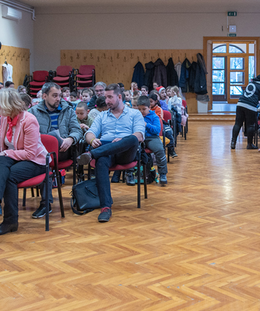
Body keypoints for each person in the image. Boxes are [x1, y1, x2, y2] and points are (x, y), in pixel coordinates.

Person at [0, 89, 50, 235]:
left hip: (35, 161)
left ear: (7, 105)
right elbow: (5, 142)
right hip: (15, 157)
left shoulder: (29, 120)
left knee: (9, 175)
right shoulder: (5, 118)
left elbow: (30, 153)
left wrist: (7, 153)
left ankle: (9, 221)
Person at [77, 83, 145, 223]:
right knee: (101, 161)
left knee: (132, 138)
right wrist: (92, 140)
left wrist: (122, 140)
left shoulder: (134, 113)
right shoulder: (102, 116)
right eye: (105, 97)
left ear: (119, 97)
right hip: (106, 150)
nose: (106, 100)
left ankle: (92, 154)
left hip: (126, 151)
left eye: (109, 97)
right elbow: (89, 133)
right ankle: (105, 207)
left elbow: (139, 135)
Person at [29, 82, 84, 218]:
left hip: (63, 150)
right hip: (42, 152)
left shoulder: (68, 110)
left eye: (59, 95)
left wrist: (70, 139)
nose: (58, 98)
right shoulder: (33, 112)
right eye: (54, 96)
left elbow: (77, 130)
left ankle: (46, 204)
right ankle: (46, 204)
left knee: (46, 156)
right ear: (44, 96)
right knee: (44, 159)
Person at [231, 73, 260, 150]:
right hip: (250, 106)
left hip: (240, 104)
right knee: (250, 125)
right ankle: (249, 144)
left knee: (237, 124)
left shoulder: (251, 83)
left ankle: (233, 143)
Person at [136, 95, 168, 185]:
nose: (141, 111)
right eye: (139, 109)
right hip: (139, 138)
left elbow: (157, 130)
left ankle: (162, 174)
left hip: (151, 138)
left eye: (144, 109)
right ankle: (131, 173)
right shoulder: (136, 116)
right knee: (131, 149)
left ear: (149, 107)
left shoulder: (154, 116)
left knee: (160, 150)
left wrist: (146, 125)